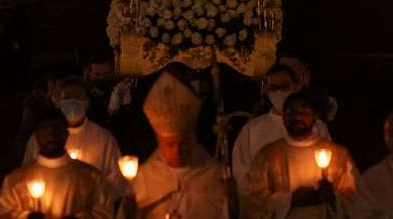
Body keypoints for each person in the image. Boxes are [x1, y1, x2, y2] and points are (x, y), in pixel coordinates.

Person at [119, 64, 229, 218]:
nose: (177, 150)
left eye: (183, 143)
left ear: (192, 140)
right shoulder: (144, 178)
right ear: (159, 141)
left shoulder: (215, 176)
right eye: (169, 144)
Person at [232, 64, 331, 211]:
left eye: (284, 86)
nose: (278, 92)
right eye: (274, 87)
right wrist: (283, 201)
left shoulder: (317, 126)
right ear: (266, 90)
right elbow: (241, 176)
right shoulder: (252, 130)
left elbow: (330, 165)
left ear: (295, 87)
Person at [246, 91, 359, 219]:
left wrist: (332, 198)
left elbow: (357, 200)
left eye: (304, 113)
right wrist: (291, 199)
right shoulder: (267, 156)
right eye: (291, 113)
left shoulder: (338, 155)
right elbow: (253, 203)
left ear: (314, 117)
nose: (298, 117)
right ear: (283, 117)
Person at [0, 108, 114, 219]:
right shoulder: (15, 181)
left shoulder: (91, 177)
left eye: (56, 129)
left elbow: (104, 213)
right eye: (45, 129)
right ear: (36, 136)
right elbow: (3, 214)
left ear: (66, 134)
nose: (51, 135)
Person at [23, 78, 126, 201]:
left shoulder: (104, 138)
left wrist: (93, 191)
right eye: (67, 97)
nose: (72, 101)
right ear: (58, 102)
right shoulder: (41, 137)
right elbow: (26, 174)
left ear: (87, 102)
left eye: (77, 97)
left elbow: (118, 181)